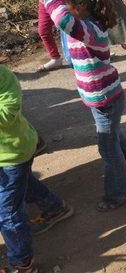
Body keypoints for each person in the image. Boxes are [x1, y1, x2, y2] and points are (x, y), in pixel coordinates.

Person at [40, 0, 126, 211]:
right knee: (113, 135)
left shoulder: (88, 30)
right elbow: (62, 18)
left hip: (105, 98)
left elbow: (61, 18)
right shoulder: (85, 23)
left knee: (107, 147)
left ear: (76, 7)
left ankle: (120, 191)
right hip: (105, 94)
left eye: (66, 3)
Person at [0, 64, 73, 273]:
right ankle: (56, 207)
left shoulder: (4, 77)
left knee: (9, 213)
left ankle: (23, 264)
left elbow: (8, 113)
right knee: (25, 184)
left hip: (14, 154)